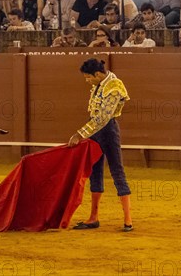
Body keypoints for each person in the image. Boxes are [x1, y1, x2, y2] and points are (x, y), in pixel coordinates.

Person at [68, 58, 133, 232]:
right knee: (95, 172)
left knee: (116, 171)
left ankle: (128, 220)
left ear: (97, 74)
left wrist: (80, 134)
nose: (87, 81)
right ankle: (93, 218)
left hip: (108, 130)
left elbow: (104, 117)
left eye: (88, 77)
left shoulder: (114, 85)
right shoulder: (99, 84)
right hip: (95, 131)